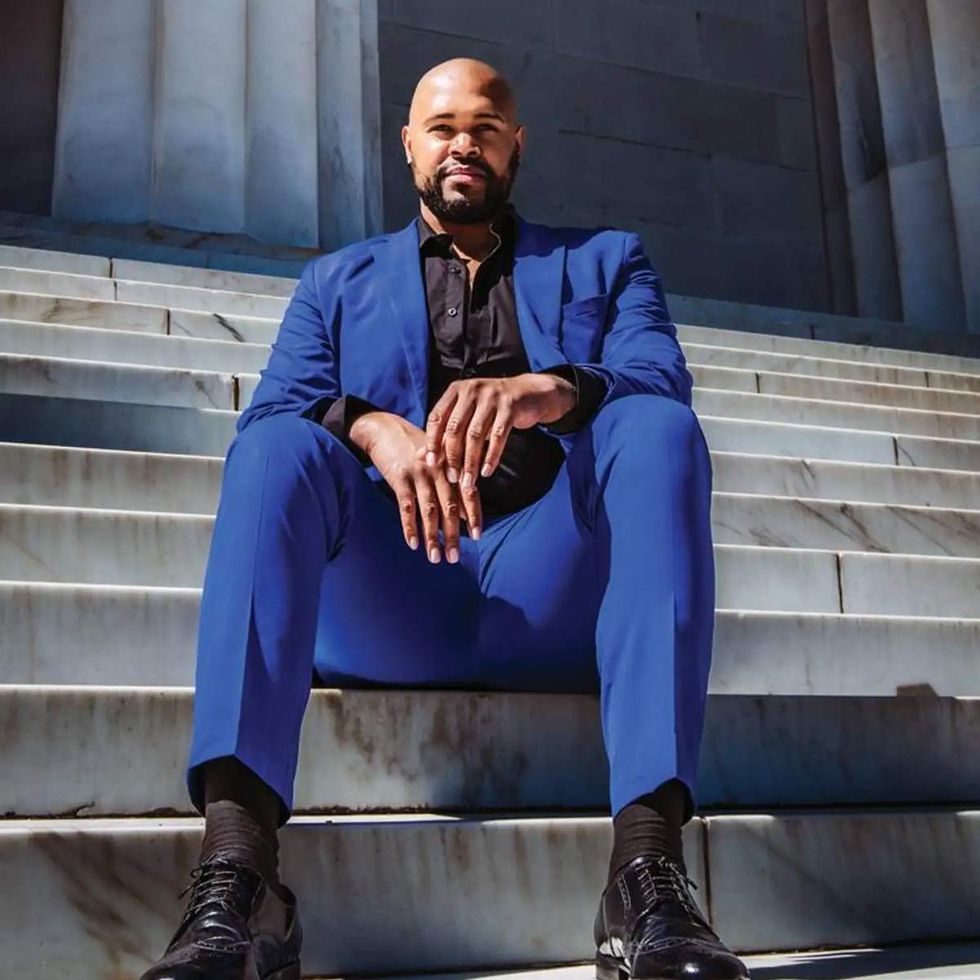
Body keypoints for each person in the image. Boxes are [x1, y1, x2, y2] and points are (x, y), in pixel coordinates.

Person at [140, 57, 750, 980]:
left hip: (554, 589)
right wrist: (369, 426)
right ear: (409, 145)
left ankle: (647, 878)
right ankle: (240, 877)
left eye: (485, 127)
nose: (464, 143)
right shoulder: (333, 283)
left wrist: (553, 389)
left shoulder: (607, 259)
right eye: (443, 127)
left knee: (657, 426)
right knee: (273, 449)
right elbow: (273, 411)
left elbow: (658, 372)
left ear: (517, 144)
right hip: (397, 589)